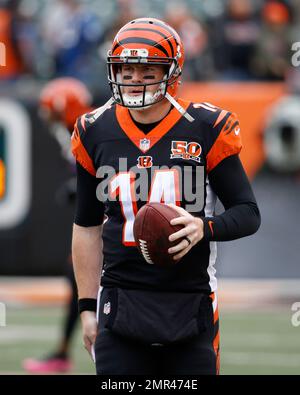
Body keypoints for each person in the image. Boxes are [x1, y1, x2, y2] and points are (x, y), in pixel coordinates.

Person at [71, 17, 261, 375]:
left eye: (146, 71)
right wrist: (86, 306)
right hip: (120, 300)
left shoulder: (205, 127)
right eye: (126, 71)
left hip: (189, 301)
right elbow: (86, 225)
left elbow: (248, 212)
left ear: (172, 72)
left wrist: (203, 227)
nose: (134, 80)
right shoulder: (94, 130)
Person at [23, 77, 92, 374]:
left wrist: (79, 188)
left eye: (52, 109)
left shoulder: (87, 132)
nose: (47, 116)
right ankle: (63, 352)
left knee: (84, 282)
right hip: (98, 221)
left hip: (111, 223)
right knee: (75, 280)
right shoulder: (72, 133)